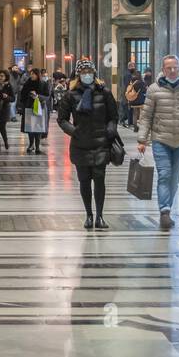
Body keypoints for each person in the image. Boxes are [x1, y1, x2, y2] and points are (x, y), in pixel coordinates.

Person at [136, 56, 179, 231]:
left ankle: (167, 208)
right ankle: (164, 211)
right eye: (169, 68)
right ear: (163, 70)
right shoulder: (153, 90)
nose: (173, 71)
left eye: (175, 67)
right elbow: (146, 116)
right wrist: (142, 139)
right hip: (161, 140)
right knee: (164, 174)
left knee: (175, 178)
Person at [58, 59, 119, 230]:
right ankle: (89, 215)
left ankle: (100, 215)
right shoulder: (70, 95)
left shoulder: (104, 92)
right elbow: (61, 119)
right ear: (78, 74)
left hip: (101, 143)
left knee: (99, 180)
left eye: (89, 71)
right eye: (83, 72)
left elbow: (114, 116)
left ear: (94, 73)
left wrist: (110, 129)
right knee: (84, 182)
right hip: (80, 144)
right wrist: (73, 131)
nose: (87, 75)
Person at [18, 66, 50, 154]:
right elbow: (22, 95)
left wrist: (37, 96)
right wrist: (21, 106)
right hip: (28, 107)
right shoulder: (27, 84)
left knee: (38, 127)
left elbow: (47, 96)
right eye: (31, 74)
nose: (32, 76)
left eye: (34, 74)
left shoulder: (43, 83)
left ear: (37, 75)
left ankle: (37, 146)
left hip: (40, 108)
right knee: (30, 127)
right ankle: (31, 144)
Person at [120, 61, 140, 128]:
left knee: (129, 108)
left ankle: (127, 121)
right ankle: (126, 121)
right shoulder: (128, 74)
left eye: (134, 66)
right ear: (129, 67)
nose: (133, 67)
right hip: (128, 93)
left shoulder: (132, 74)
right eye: (132, 66)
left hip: (130, 93)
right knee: (128, 108)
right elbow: (128, 85)